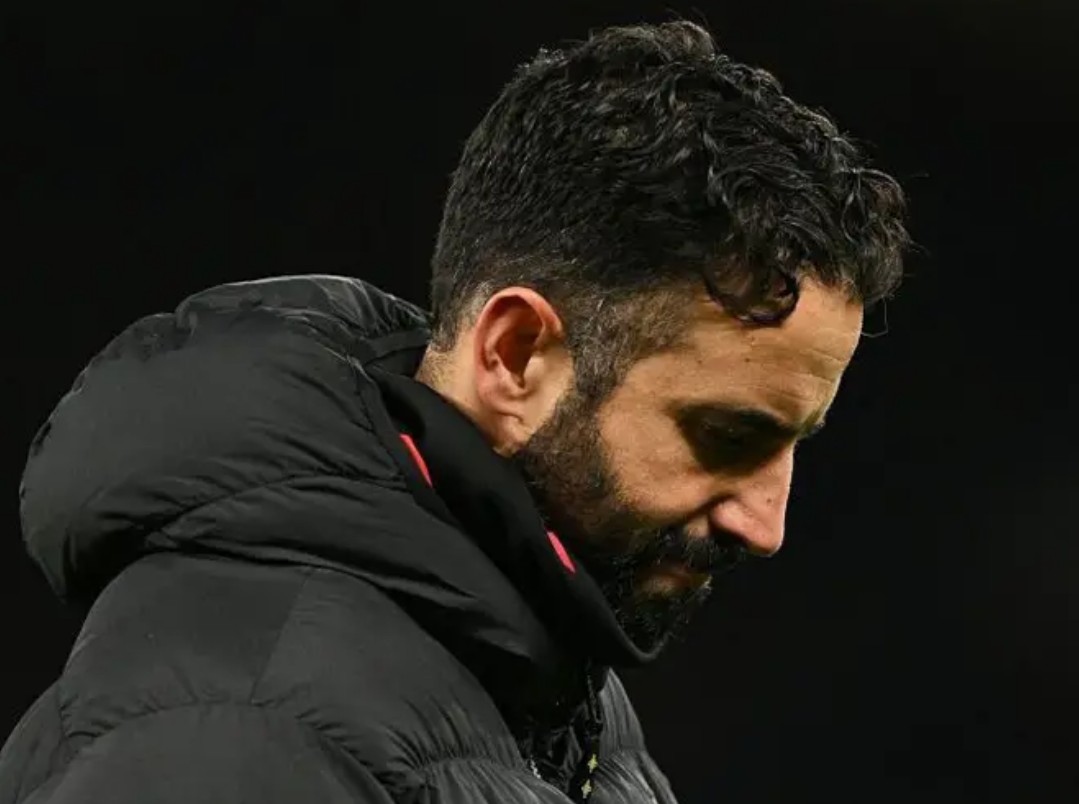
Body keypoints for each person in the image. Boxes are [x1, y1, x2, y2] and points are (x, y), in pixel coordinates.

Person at [0, 20, 908, 804]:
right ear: (513, 356)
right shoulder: (238, 728)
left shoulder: (547, 680)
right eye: (728, 435)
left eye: (795, 443)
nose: (767, 525)